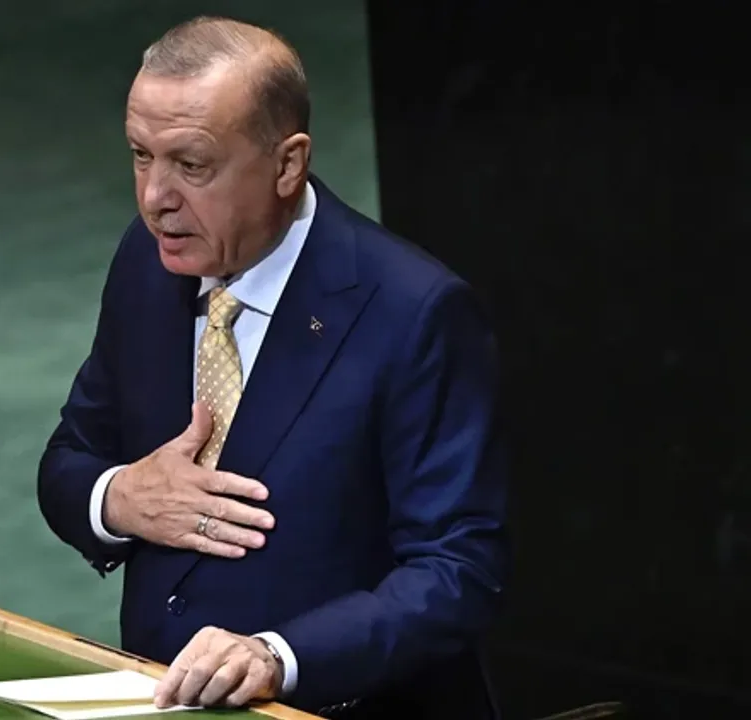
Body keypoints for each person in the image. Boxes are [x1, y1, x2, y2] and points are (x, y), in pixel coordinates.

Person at [36, 15, 509, 720]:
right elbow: (70, 459)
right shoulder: (147, 262)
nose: (155, 197)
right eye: (141, 155)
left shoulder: (412, 310)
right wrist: (119, 498)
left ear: (287, 165)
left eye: (191, 165)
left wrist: (278, 657)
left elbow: (458, 570)